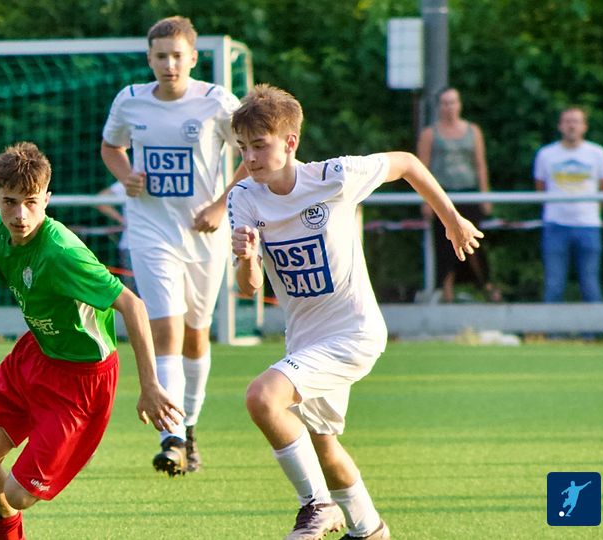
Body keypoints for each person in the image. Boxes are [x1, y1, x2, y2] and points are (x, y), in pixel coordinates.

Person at [228, 85, 483, 540]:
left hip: (354, 333)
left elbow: (407, 162)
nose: (249, 157)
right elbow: (249, 288)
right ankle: (370, 529)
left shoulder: (334, 177)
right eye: (242, 147)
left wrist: (451, 218)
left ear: (290, 143)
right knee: (324, 448)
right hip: (304, 339)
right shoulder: (244, 197)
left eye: (259, 145)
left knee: (262, 398)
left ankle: (317, 505)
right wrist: (247, 258)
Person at [0, 142, 182, 540]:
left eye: (31, 202)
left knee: (17, 495)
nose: (20, 215)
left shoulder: (63, 252)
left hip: (82, 380)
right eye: (10, 202)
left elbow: (133, 305)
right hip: (34, 356)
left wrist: (150, 386)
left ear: (47, 200)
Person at [100, 15, 245, 475]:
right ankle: (172, 437)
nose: (169, 65)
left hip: (203, 234)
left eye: (177, 56)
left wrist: (221, 204)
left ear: (193, 58)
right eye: (161, 56)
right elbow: (110, 147)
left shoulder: (216, 102)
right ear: (149, 58)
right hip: (151, 230)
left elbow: (253, 153)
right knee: (166, 329)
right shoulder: (130, 101)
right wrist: (127, 176)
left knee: (197, 334)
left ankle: (190, 427)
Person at [416, 87, 501, 302]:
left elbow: (480, 165)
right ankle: (446, 292)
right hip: (442, 195)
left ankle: (486, 286)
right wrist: (425, 201)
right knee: (444, 245)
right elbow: (421, 170)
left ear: (460, 104)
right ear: (439, 106)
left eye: (453, 102)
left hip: (469, 194)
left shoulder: (473, 131)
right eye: (445, 103)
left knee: (475, 243)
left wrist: (485, 195)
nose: (449, 107)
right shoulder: (429, 134)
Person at [533, 107, 603, 303]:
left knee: (590, 283)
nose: (571, 126)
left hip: (588, 225)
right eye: (567, 121)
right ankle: (550, 323)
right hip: (555, 225)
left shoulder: (598, 153)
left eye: (576, 121)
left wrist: (590, 211)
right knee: (554, 284)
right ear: (560, 126)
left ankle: (595, 324)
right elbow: (540, 188)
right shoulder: (546, 154)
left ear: (584, 126)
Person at [95, 181, 136, 291]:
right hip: (131, 246)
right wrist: (123, 220)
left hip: (165, 245)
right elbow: (100, 200)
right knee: (133, 295)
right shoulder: (130, 180)